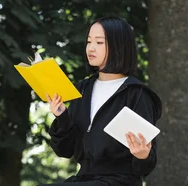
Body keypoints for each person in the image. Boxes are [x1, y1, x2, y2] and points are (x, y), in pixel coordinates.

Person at [43, 16, 162, 186]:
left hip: (120, 181)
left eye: (99, 42)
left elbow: (145, 166)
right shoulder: (83, 89)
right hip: (83, 179)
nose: (90, 48)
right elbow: (64, 150)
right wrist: (62, 116)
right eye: (89, 41)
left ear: (118, 46)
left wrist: (142, 154)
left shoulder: (137, 94)